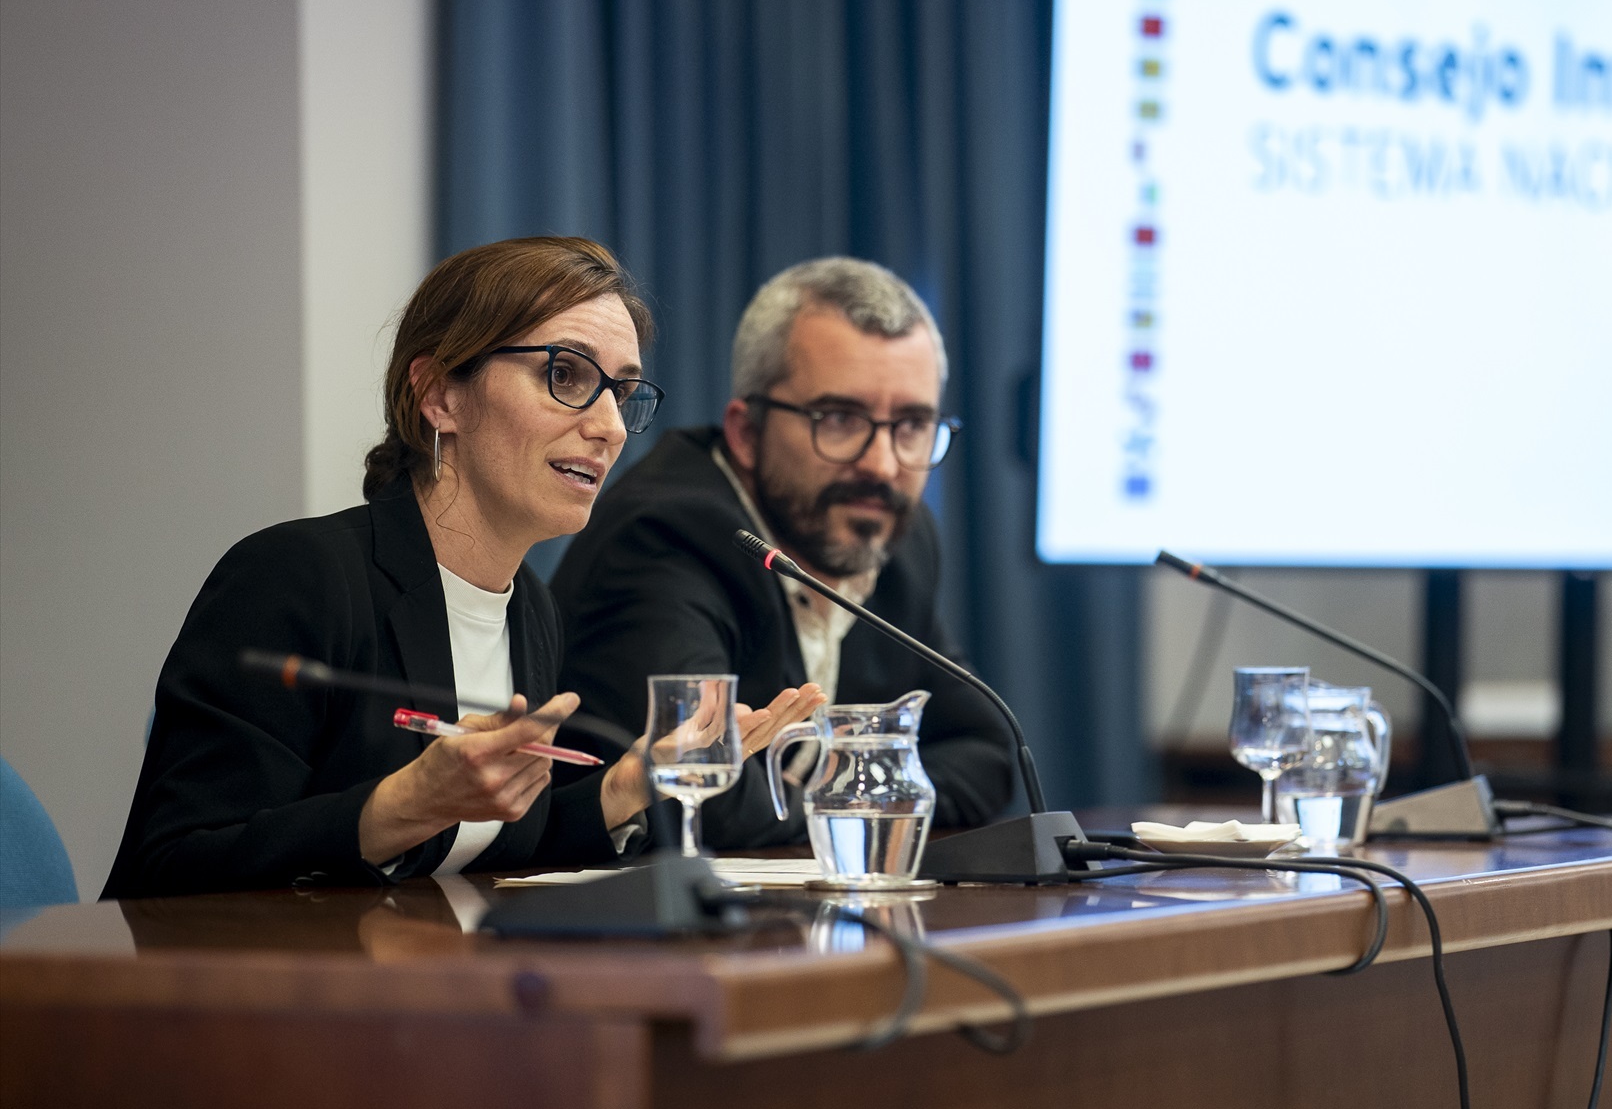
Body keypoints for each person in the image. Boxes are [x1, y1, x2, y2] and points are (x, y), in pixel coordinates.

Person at [104, 237, 820, 899]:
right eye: (565, 375)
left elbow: (487, 847)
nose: (606, 426)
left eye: (622, 393)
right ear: (440, 394)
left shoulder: (528, 609)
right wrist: (399, 807)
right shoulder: (295, 577)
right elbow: (171, 869)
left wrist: (629, 784)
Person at [550, 257, 1014, 850]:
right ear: (746, 432)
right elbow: (705, 796)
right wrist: (879, 791)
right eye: (841, 419)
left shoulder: (899, 532)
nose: (882, 465)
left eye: (911, 425)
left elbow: (987, 752)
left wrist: (826, 795)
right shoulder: (668, 534)